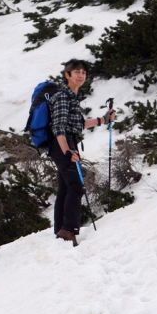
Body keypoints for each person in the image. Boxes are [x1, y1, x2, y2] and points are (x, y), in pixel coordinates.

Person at [48, 59, 115, 243]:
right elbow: (59, 127)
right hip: (62, 144)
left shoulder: (72, 97)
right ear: (67, 75)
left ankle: (61, 230)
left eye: (83, 72)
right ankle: (68, 230)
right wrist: (68, 151)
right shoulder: (62, 96)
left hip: (66, 143)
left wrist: (103, 120)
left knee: (65, 187)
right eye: (76, 72)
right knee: (76, 186)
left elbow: (78, 124)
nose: (81, 75)